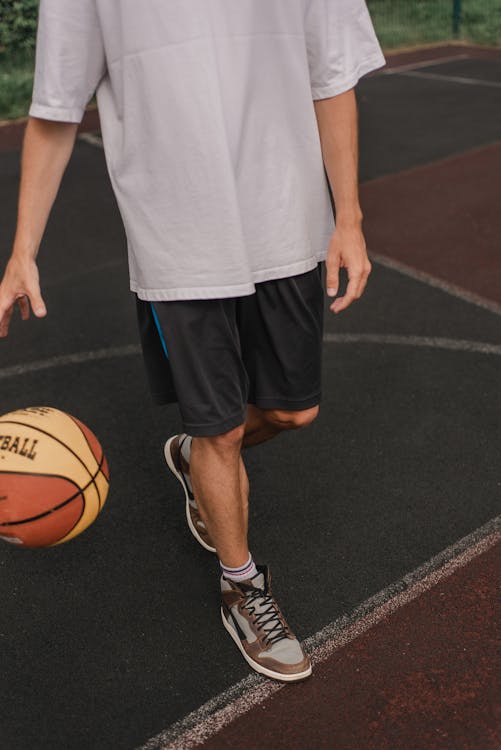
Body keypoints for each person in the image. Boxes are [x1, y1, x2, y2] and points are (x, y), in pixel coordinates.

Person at [0, 1, 385, 681]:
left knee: (294, 412)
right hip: (176, 234)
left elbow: (331, 76)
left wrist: (347, 218)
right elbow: (57, 106)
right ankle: (242, 584)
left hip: (288, 216)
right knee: (222, 430)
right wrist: (22, 249)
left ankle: (190, 460)